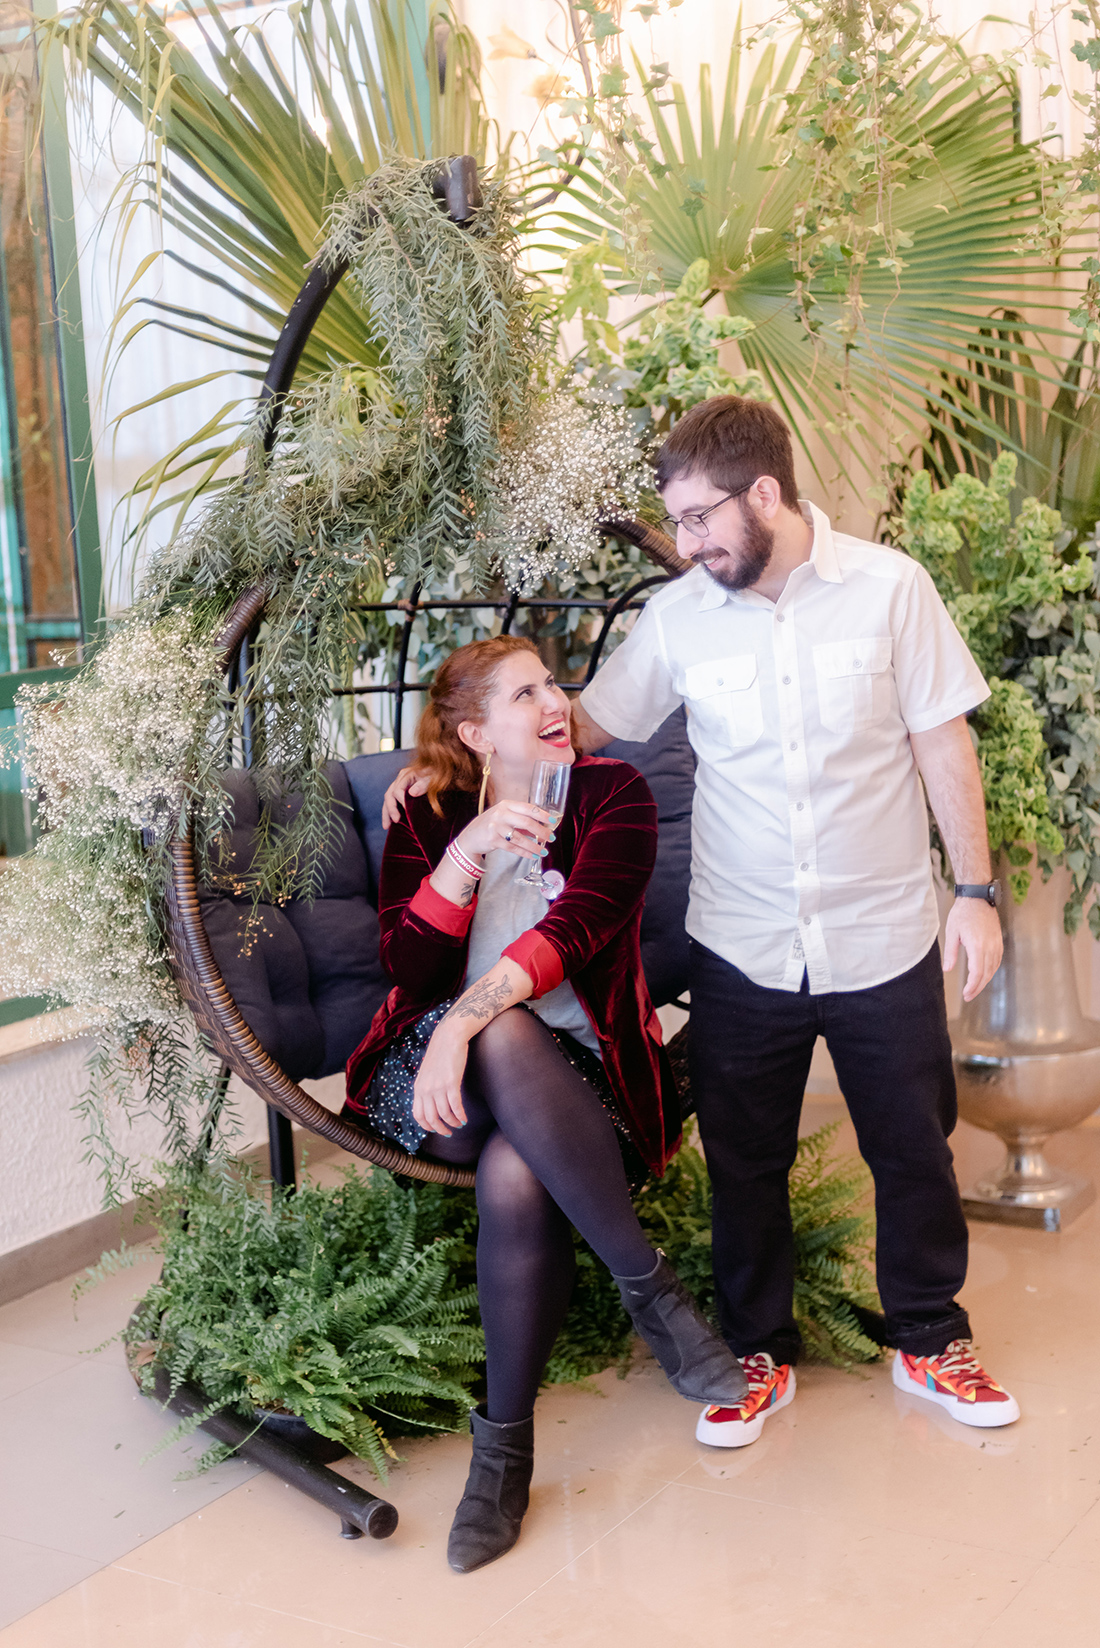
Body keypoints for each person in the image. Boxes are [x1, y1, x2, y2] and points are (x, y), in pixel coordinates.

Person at [384, 396, 1020, 1449]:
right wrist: (444, 762)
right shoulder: (679, 616)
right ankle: (756, 1348)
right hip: (742, 937)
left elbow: (941, 742)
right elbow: (582, 725)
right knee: (744, 1156)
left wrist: (975, 894)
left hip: (883, 929)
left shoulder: (891, 590)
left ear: (763, 493)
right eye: (676, 523)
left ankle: (929, 1336)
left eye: (697, 520)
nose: (684, 544)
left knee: (912, 1145)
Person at [346, 634, 747, 1573]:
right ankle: (651, 1289)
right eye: (525, 694)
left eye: (553, 685)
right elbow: (410, 968)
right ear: (478, 733)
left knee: (516, 1165)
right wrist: (467, 851)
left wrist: (467, 1021)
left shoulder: (615, 796)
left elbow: (578, 928)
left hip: (575, 1078)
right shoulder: (430, 812)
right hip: (433, 1082)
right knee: (495, 1041)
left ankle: (502, 1459)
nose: (555, 701)